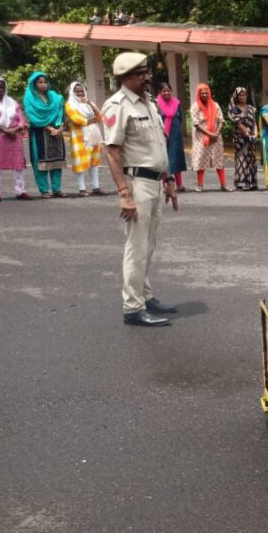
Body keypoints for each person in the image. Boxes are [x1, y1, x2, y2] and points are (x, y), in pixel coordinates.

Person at [101, 52, 178, 327]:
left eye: (146, 72)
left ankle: (145, 295)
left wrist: (168, 181)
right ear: (124, 78)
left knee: (149, 245)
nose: (146, 78)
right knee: (136, 247)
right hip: (137, 185)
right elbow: (112, 152)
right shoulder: (117, 105)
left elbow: (158, 145)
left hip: (155, 183)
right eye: (140, 74)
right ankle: (132, 307)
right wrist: (124, 194)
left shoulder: (149, 104)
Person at [23, 71, 66, 197]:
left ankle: (57, 189)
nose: (43, 84)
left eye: (45, 82)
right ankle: (44, 190)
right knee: (40, 162)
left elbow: (61, 112)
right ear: (34, 83)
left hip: (56, 133)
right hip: (40, 133)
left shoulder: (54, 96)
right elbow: (33, 117)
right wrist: (49, 128)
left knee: (57, 162)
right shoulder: (29, 97)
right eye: (40, 82)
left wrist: (59, 128)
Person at [63, 82, 104, 197]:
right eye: (77, 91)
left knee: (94, 162)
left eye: (82, 91)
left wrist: (89, 103)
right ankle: (82, 189)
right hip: (79, 137)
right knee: (80, 162)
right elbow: (76, 119)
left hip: (94, 135)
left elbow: (100, 117)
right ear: (72, 92)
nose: (80, 93)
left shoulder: (89, 103)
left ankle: (96, 187)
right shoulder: (69, 105)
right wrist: (89, 121)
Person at [0, 76, 28, 201]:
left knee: (18, 163)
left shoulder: (12, 102)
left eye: (2, 87)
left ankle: (20, 191)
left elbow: (21, 118)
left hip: (15, 136)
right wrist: (5, 130)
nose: (0, 89)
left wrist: (16, 129)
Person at [190, 83, 227, 192]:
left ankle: (223, 184)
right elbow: (196, 124)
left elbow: (221, 120)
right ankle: (200, 185)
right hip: (202, 138)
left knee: (219, 160)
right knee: (201, 160)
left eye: (206, 93)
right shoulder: (195, 107)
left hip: (216, 137)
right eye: (202, 93)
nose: (205, 95)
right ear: (199, 94)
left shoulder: (215, 105)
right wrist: (209, 134)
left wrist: (216, 132)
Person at [155, 82, 187, 192]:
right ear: (160, 92)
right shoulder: (156, 104)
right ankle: (166, 185)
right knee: (165, 160)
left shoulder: (176, 103)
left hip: (176, 135)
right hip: (162, 135)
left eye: (168, 90)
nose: (166, 92)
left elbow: (180, 118)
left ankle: (179, 184)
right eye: (164, 90)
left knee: (177, 159)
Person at [228, 87, 258, 191]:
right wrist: (246, 133)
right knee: (241, 159)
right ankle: (241, 182)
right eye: (240, 95)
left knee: (251, 159)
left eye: (244, 95)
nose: (243, 97)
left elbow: (254, 122)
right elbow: (238, 123)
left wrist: (255, 134)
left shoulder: (251, 108)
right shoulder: (234, 108)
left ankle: (251, 182)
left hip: (251, 137)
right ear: (237, 97)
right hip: (240, 138)